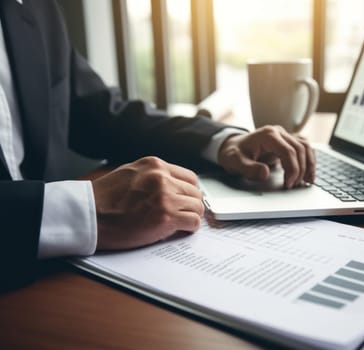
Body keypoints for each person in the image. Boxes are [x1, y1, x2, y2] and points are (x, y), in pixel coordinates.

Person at [0, 0, 315, 291]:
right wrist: (80, 210)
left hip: (54, 281)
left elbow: (101, 113)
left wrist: (221, 141)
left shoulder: (34, 6)